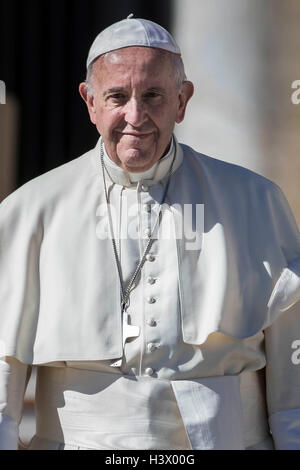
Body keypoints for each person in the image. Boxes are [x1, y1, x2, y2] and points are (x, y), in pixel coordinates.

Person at [0, 15, 300, 451]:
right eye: (117, 96)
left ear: (183, 100)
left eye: (154, 95)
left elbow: (293, 378)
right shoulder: (31, 210)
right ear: (90, 102)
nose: (135, 116)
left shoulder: (255, 201)